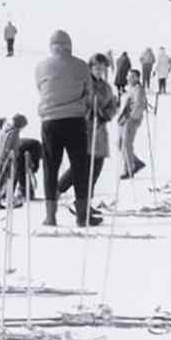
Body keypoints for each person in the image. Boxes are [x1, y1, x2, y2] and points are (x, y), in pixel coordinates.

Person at [35, 30, 100, 227]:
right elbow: (89, 92)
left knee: (50, 168)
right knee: (80, 167)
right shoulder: (81, 66)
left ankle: (50, 216)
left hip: (50, 121)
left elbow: (40, 88)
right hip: (75, 120)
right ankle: (81, 216)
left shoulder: (41, 66)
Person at [58, 54, 118, 220]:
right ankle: (57, 191)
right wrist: (88, 113)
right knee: (81, 169)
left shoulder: (106, 87)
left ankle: (84, 204)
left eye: (103, 68)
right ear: (90, 68)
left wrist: (106, 114)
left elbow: (112, 105)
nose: (100, 71)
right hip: (83, 132)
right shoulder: (83, 84)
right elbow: (76, 103)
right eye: (97, 67)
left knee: (95, 171)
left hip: (99, 134)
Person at [0, 114, 29, 210]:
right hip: (6, 159)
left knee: (6, 179)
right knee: (3, 180)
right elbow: (8, 146)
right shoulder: (13, 132)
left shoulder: (8, 130)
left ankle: (2, 200)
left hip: (4, 158)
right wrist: (9, 158)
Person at [118, 69, 148, 178]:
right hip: (125, 119)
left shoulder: (139, 89)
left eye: (130, 76)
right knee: (121, 143)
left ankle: (129, 169)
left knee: (126, 144)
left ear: (136, 78)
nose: (127, 78)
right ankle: (136, 162)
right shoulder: (132, 88)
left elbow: (138, 106)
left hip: (131, 120)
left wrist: (130, 119)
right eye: (127, 75)